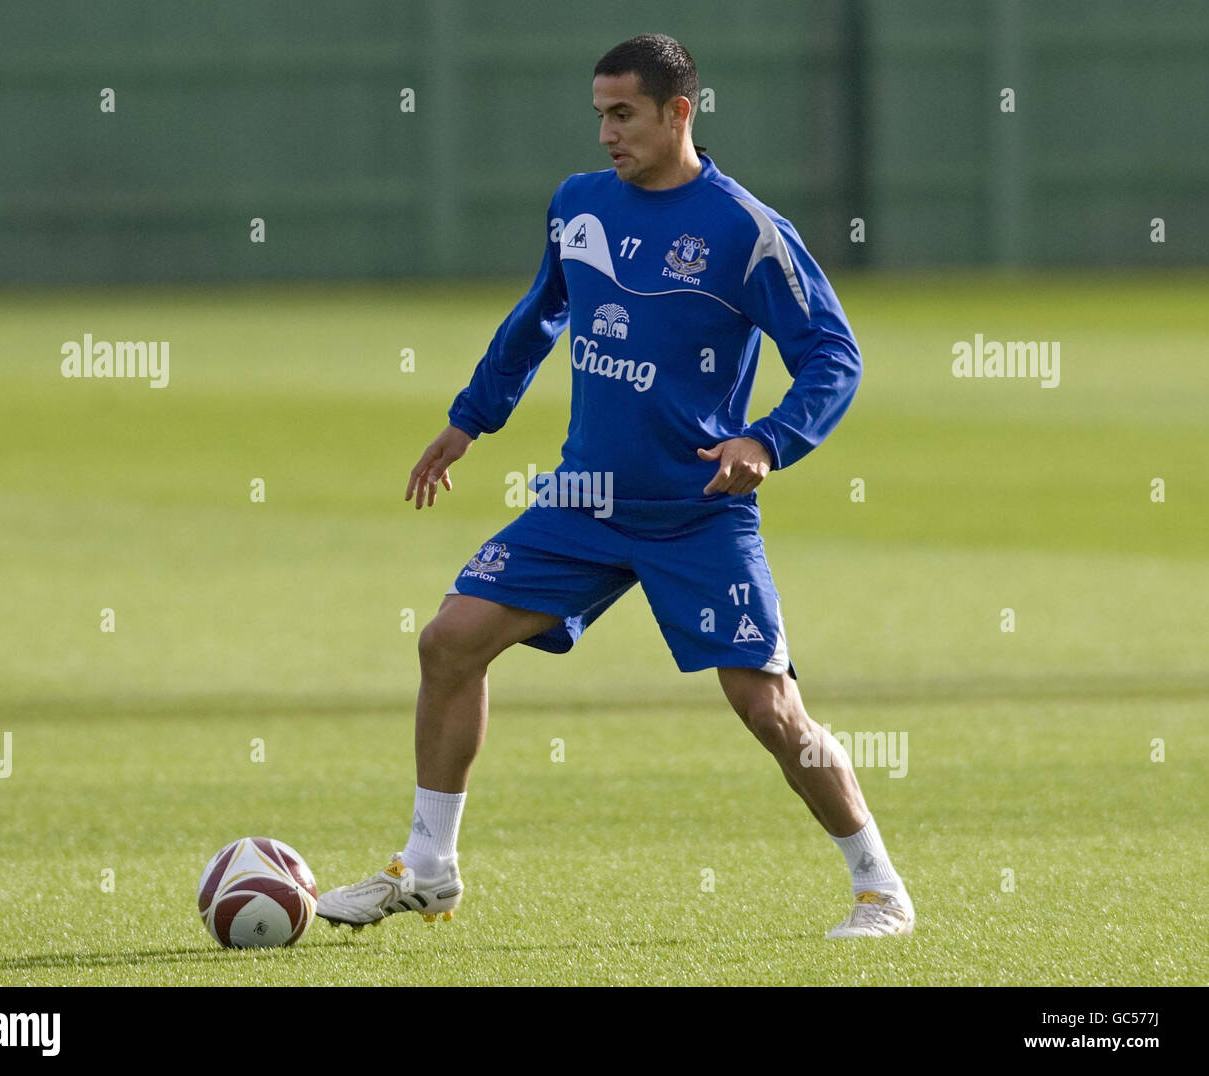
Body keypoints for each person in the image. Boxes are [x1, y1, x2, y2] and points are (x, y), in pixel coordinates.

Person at [317, 33, 914, 939]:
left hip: (695, 511)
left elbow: (834, 354)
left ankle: (879, 888)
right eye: (599, 113)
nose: (605, 133)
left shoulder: (746, 231)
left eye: (623, 113)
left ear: (681, 112)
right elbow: (538, 314)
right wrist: (471, 419)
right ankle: (429, 869)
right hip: (583, 498)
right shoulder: (579, 204)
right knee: (448, 642)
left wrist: (769, 438)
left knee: (766, 706)